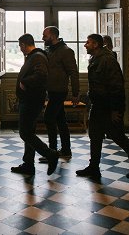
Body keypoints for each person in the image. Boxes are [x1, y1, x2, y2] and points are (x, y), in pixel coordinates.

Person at [76, 33, 129, 180]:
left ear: (95, 44)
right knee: (94, 136)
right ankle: (94, 167)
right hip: (98, 106)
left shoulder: (108, 60)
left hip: (109, 107)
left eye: (87, 42)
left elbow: (117, 87)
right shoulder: (96, 59)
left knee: (118, 136)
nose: (85, 45)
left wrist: (115, 110)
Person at [11, 34, 59, 176]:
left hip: (32, 100)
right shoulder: (34, 56)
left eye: (20, 46)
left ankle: (50, 154)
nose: (20, 49)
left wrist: (25, 82)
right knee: (29, 133)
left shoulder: (37, 56)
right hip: (30, 99)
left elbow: (41, 75)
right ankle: (28, 164)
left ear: (24, 45)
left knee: (25, 133)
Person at [41, 26, 80, 161]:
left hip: (59, 91)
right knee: (61, 121)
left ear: (53, 36)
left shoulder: (66, 51)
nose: (43, 38)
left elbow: (73, 73)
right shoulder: (49, 50)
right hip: (51, 91)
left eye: (45, 36)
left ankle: (52, 153)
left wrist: (75, 93)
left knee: (48, 118)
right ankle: (65, 150)